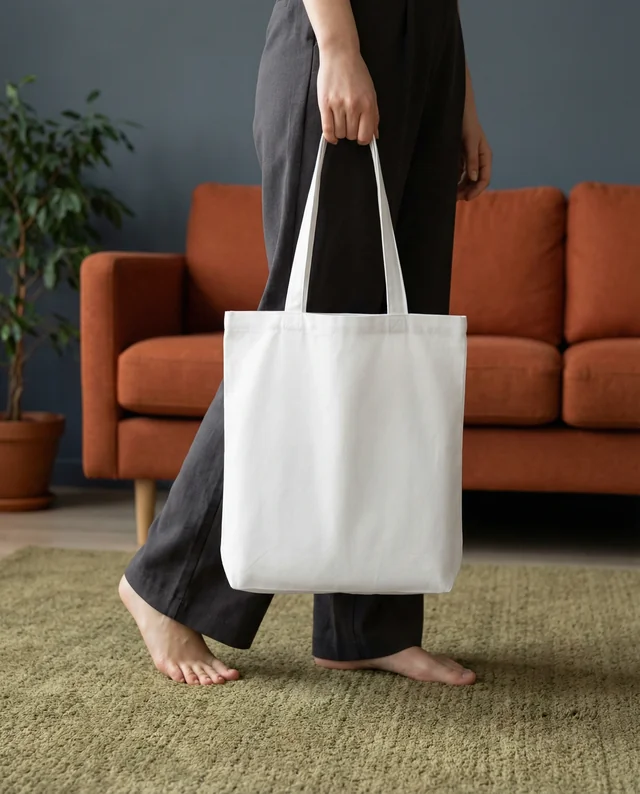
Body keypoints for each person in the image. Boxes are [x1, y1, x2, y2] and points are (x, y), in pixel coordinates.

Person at [119, 0, 492, 686]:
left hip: (431, 45)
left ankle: (365, 628)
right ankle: (165, 586)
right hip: (344, 28)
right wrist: (340, 47)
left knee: (387, 345)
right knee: (305, 342)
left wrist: (458, 91)